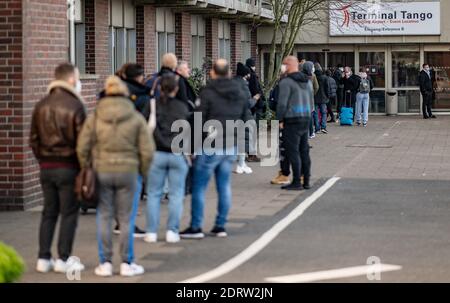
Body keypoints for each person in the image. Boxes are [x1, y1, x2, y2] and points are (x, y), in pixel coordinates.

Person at [77, 76, 154, 277]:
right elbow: (147, 149)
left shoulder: (95, 117)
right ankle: (127, 263)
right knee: (126, 218)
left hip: (102, 171)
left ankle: (105, 263)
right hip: (129, 172)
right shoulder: (135, 117)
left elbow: (82, 146)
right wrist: (142, 171)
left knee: (104, 215)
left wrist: (87, 167)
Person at [180, 59, 250, 239]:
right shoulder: (240, 91)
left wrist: (192, 147)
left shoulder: (208, 92)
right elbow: (245, 118)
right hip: (230, 145)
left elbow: (198, 120)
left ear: (213, 72)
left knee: (199, 186)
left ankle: (196, 226)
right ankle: (220, 225)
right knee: (224, 185)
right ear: (228, 72)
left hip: (210, 146)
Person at [30, 63, 86, 274]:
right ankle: (63, 257)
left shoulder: (40, 105)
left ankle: (43, 258)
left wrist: (43, 159)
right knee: (69, 213)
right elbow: (83, 143)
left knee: (49, 212)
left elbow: (33, 140)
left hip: (46, 167)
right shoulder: (75, 106)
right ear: (71, 79)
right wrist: (82, 167)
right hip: (68, 167)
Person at [144, 74, 190, 244]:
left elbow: (144, 126)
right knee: (176, 194)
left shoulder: (152, 105)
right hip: (178, 154)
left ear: (160, 88)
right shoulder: (182, 107)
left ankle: (151, 231)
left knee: (154, 194)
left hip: (157, 153)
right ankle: (172, 230)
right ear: (176, 89)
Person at [113, 63, 150, 238]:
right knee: (133, 187)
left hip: (111, 148)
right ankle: (127, 224)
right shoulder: (142, 96)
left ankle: (119, 221)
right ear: (140, 76)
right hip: (131, 148)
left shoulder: (111, 96)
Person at [276, 56, 312, 190]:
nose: (282, 67)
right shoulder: (307, 81)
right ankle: (306, 180)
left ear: (290, 65)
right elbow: (311, 101)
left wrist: (280, 120)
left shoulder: (286, 82)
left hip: (292, 120)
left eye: (284, 64)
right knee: (304, 150)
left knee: (293, 151)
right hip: (306, 118)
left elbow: (282, 104)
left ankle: (296, 181)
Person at [234, 62, 258, 174]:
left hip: (234, 115)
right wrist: (255, 99)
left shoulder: (232, 83)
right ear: (245, 74)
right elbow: (247, 103)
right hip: (244, 116)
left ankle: (241, 163)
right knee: (243, 140)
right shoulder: (243, 85)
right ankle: (240, 164)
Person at [245, 58, 263, 163]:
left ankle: (249, 153)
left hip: (250, 106)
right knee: (252, 131)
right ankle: (251, 154)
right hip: (253, 106)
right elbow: (256, 90)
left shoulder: (247, 76)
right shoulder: (252, 76)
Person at [313, 63, 330, 134]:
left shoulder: (313, 77)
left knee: (316, 113)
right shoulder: (325, 77)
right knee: (324, 113)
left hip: (315, 98)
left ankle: (317, 128)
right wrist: (328, 96)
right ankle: (323, 127)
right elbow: (327, 88)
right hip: (323, 98)